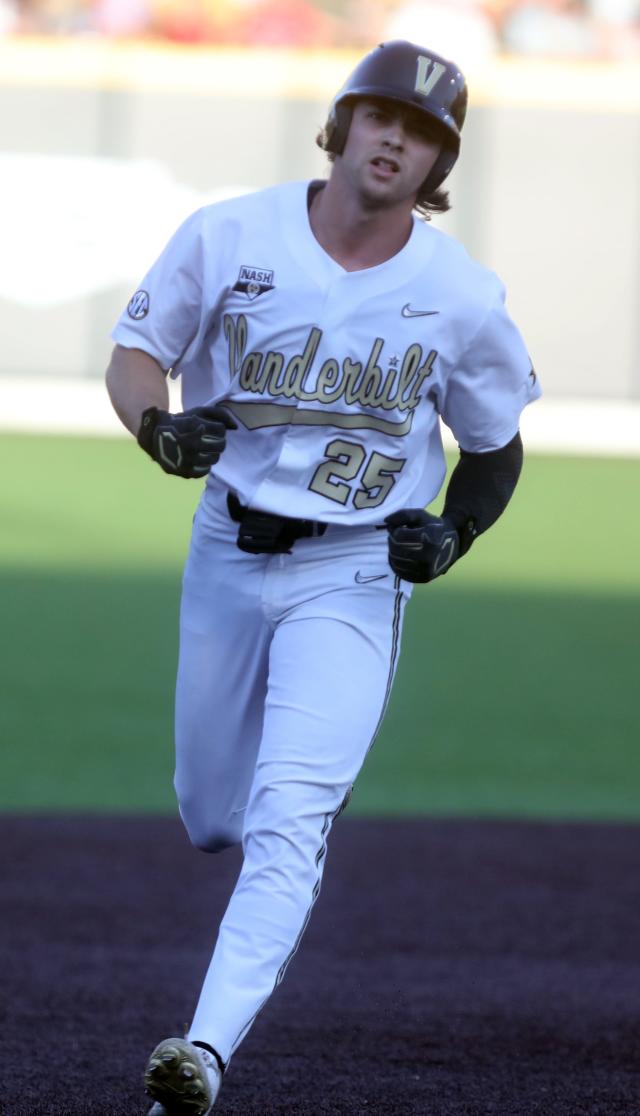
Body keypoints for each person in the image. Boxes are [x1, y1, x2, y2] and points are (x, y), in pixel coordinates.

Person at [106, 39, 540, 1115]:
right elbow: (134, 352)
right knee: (214, 810)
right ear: (343, 125)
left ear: (440, 164)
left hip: (351, 569)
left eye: (427, 132)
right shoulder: (230, 233)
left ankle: (200, 1055)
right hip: (228, 542)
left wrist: (453, 533)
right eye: (385, 116)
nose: (400, 138)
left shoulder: (457, 291)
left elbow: (493, 445)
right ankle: (265, 859)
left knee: (289, 814)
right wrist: (157, 428)